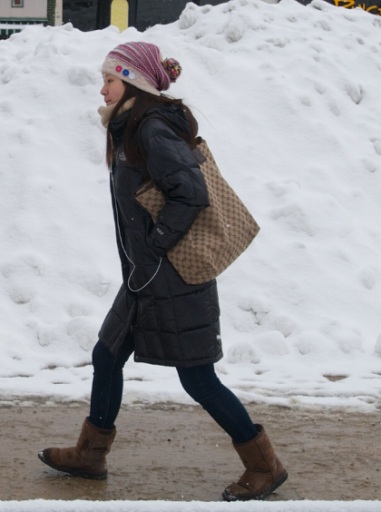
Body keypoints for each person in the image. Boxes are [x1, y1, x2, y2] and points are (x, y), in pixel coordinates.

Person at [38, 41, 288, 502]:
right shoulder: (132, 125)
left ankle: (263, 466)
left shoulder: (150, 129)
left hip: (174, 277)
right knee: (107, 356)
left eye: (110, 79)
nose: (103, 88)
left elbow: (191, 193)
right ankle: (91, 454)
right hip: (145, 277)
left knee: (198, 379)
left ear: (131, 81)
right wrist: (146, 260)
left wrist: (155, 247)